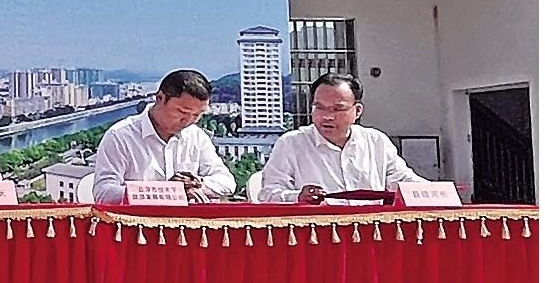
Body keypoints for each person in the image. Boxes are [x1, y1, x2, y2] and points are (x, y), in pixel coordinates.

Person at [257, 74, 423, 204]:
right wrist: (297, 197)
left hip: (372, 229)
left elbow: (404, 182)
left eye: (337, 109)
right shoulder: (291, 144)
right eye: (319, 108)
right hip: (316, 231)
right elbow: (268, 194)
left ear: (357, 111)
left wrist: (435, 192)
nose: (327, 117)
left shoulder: (376, 141)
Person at [91, 69, 235, 204]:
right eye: (182, 112)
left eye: (197, 115)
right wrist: (166, 191)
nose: (188, 121)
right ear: (160, 98)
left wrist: (196, 185)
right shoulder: (120, 136)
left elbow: (227, 182)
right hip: (138, 220)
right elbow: (104, 192)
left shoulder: (196, 136)